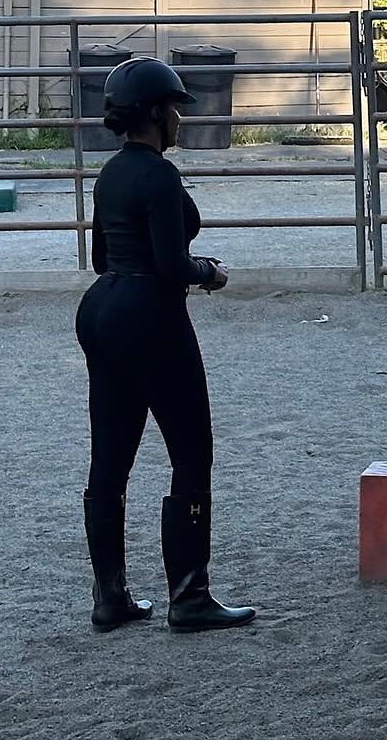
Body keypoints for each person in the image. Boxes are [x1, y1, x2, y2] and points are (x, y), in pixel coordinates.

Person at [75, 56, 256, 633]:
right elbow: (173, 263)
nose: (179, 119)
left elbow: (104, 257)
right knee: (191, 452)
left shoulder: (110, 174)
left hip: (102, 308)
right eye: (175, 109)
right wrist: (208, 272)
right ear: (156, 114)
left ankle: (110, 596)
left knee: (110, 456)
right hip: (151, 315)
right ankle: (189, 595)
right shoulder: (159, 175)